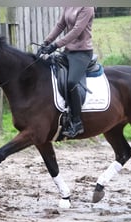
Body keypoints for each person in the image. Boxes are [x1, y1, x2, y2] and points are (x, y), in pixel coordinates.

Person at [40, 7, 95, 138]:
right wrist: (46, 42)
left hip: (82, 53)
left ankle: (76, 122)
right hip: (68, 52)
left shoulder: (87, 7)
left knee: (71, 82)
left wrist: (55, 45)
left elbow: (77, 31)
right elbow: (60, 25)